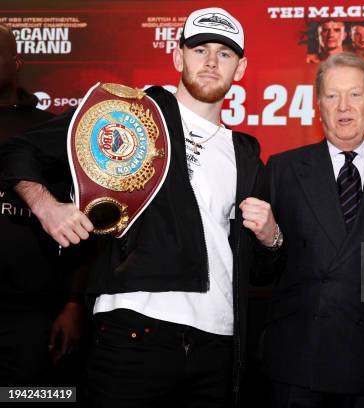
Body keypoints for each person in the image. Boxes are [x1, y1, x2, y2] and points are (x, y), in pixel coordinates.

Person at [0, 8, 280, 407]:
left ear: (241, 67)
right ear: (178, 57)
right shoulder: (128, 111)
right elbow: (18, 150)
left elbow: (261, 269)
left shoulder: (246, 154)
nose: (212, 62)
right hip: (133, 332)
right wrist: (47, 207)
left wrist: (272, 237)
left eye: (225, 53)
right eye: (200, 49)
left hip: (217, 343)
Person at [261, 53, 364, 407]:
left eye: (355, 95)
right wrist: (269, 238)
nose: (343, 107)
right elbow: (259, 269)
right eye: (332, 96)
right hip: (295, 364)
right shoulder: (282, 171)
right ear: (319, 106)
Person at [0, 23, 85, 386]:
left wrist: (74, 304)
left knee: (32, 397)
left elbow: (83, 223)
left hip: (33, 314)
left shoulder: (49, 132)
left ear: (15, 61)